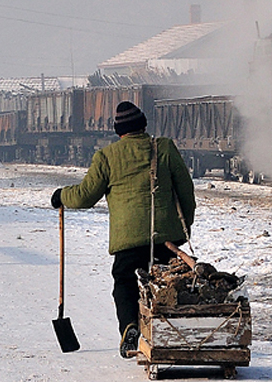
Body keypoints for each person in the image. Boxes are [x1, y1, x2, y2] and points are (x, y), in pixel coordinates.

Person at [50, 100, 196, 358]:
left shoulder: (107, 157)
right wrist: (184, 230)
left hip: (128, 240)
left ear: (118, 131)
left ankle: (130, 327)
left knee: (126, 283)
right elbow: (186, 192)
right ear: (144, 125)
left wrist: (62, 195)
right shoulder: (164, 148)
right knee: (169, 283)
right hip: (165, 238)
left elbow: (85, 196)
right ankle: (172, 333)